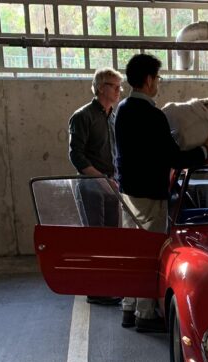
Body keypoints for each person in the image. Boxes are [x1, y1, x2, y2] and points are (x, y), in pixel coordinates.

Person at [115, 54, 208, 331]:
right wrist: (206, 150)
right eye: (158, 78)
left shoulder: (122, 109)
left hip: (127, 191)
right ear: (149, 79)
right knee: (152, 252)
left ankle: (129, 309)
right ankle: (145, 315)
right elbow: (173, 157)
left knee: (132, 250)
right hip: (151, 194)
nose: (159, 84)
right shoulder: (153, 116)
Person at [68, 67, 124, 306]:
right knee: (95, 238)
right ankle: (95, 289)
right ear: (102, 87)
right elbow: (76, 156)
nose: (120, 90)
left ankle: (107, 285)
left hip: (112, 183)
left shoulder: (113, 116)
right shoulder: (82, 116)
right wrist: (100, 178)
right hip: (91, 184)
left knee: (111, 238)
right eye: (115, 86)